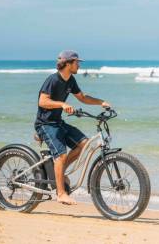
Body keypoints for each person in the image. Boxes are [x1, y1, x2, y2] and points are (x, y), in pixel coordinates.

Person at [34, 50, 110, 205]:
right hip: (45, 124)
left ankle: (60, 173)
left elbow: (82, 97)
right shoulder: (53, 80)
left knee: (84, 144)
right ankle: (60, 193)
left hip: (58, 122)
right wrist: (62, 104)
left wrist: (101, 102)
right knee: (61, 155)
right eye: (77, 62)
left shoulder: (70, 80)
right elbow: (42, 101)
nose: (79, 65)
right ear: (68, 64)